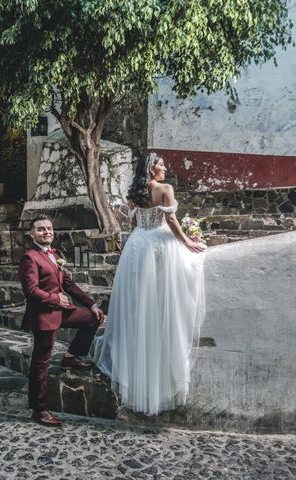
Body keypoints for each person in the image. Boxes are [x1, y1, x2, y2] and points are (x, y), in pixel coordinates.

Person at [93, 153, 206, 416]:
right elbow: (171, 220)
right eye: (161, 165)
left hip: (138, 246)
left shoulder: (136, 193)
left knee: (139, 303)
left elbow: (134, 222)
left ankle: (136, 373)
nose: (165, 168)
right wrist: (187, 242)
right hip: (159, 245)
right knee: (162, 300)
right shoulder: (165, 189)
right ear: (151, 168)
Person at [18, 215, 105, 426]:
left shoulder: (54, 256)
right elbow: (31, 291)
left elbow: (69, 284)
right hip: (44, 315)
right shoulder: (30, 257)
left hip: (63, 310)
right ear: (32, 234)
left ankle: (70, 356)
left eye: (49, 228)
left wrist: (91, 304)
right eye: (40, 229)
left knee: (91, 319)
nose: (46, 232)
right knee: (41, 364)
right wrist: (55, 298)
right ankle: (39, 410)